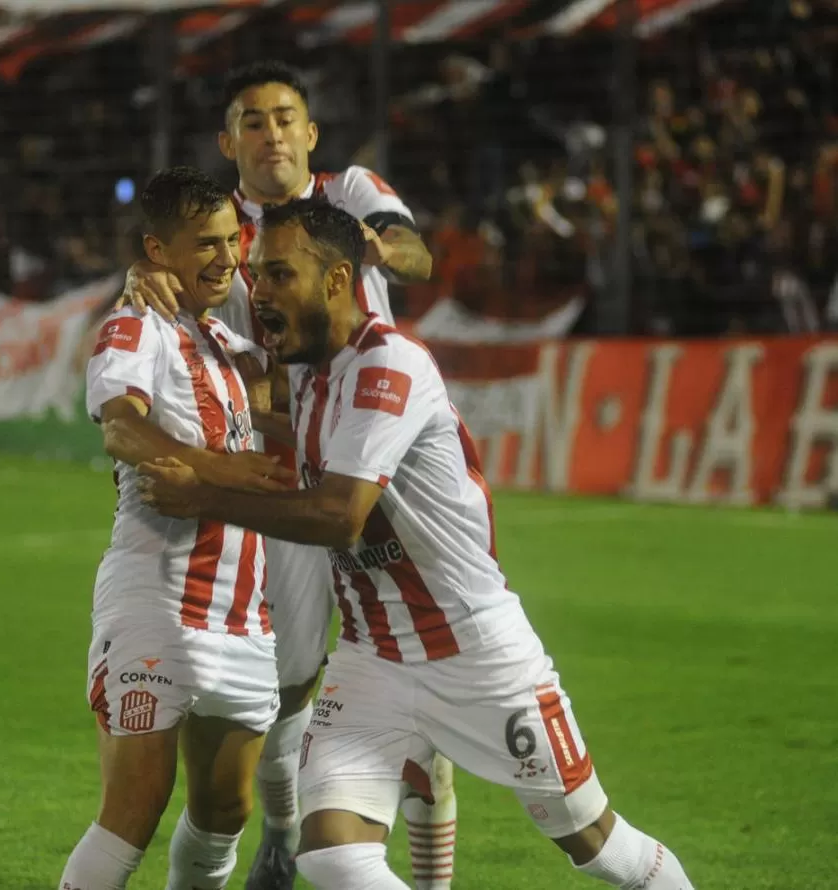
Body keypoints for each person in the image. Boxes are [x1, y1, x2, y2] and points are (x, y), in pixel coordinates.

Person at [137, 198, 697, 890]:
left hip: (474, 651)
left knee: (598, 844)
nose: (260, 292)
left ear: (337, 281)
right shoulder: (309, 369)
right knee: (333, 853)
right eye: (257, 275)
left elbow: (341, 516)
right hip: (374, 656)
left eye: (279, 274)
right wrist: (156, 288)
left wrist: (204, 497)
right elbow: (220, 382)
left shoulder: (389, 366)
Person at [121, 61, 455, 890]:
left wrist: (388, 247)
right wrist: (147, 276)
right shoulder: (220, 229)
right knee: (289, 675)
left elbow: (412, 253)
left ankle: (427, 867)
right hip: (281, 468)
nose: (271, 133)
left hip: (378, 459)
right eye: (253, 121)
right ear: (227, 141)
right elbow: (171, 287)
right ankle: (281, 824)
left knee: (432, 672)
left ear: (310, 133)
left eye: (285, 118)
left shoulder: (349, 196)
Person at [59, 167, 294, 890]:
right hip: (156, 601)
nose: (225, 258)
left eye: (231, 239)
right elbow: (121, 429)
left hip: (243, 616)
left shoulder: (226, 340)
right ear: (158, 250)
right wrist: (222, 472)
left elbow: (280, 431)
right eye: (205, 244)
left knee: (225, 813)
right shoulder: (137, 325)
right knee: (133, 812)